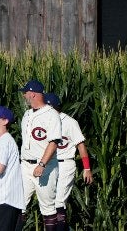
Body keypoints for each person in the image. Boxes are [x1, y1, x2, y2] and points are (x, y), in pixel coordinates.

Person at [43, 93, 93, 231]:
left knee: (59, 202)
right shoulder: (45, 122)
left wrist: (87, 168)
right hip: (49, 165)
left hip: (65, 164)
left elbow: (81, 145)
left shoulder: (70, 122)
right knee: (49, 203)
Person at [17, 80, 61, 231]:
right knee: (19, 203)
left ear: (33, 94)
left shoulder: (51, 114)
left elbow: (53, 142)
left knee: (47, 208)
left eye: (25, 93)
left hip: (45, 167)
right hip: (25, 165)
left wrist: (42, 164)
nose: (24, 96)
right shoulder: (27, 114)